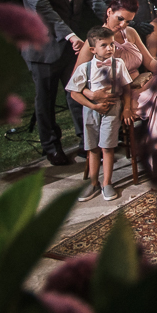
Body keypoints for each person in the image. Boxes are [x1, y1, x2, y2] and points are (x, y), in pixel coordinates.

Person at [20, 0, 107, 166]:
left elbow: (95, 1)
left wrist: (111, 20)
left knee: (77, 93)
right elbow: (43, 11)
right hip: (43, 50)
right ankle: (52, 146)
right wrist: (70, 36)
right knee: (45, 100)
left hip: (72, 50)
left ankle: (85, 143)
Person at [77, 0, 157, 155]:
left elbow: (150, 61)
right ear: (109, 12)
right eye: (120, 19)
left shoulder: (130, 33)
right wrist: (92, 94)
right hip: (121, 96)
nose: (122, 25)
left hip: (141, 86)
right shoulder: (95, 42)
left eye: (127, 21)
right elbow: (75, 81)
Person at [67, 27, 133, 203]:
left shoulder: (118, 64)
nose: (110, 48)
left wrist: (127, 108)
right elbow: (74, 93)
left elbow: (126, 88)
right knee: (93, 148)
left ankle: (107, 183)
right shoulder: (85, 68)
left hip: (112, 109)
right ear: (92, 49)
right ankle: (94, 182)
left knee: (108, 146)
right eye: (104, 45)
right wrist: (93, 105)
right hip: (91, 110)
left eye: (112, 44)